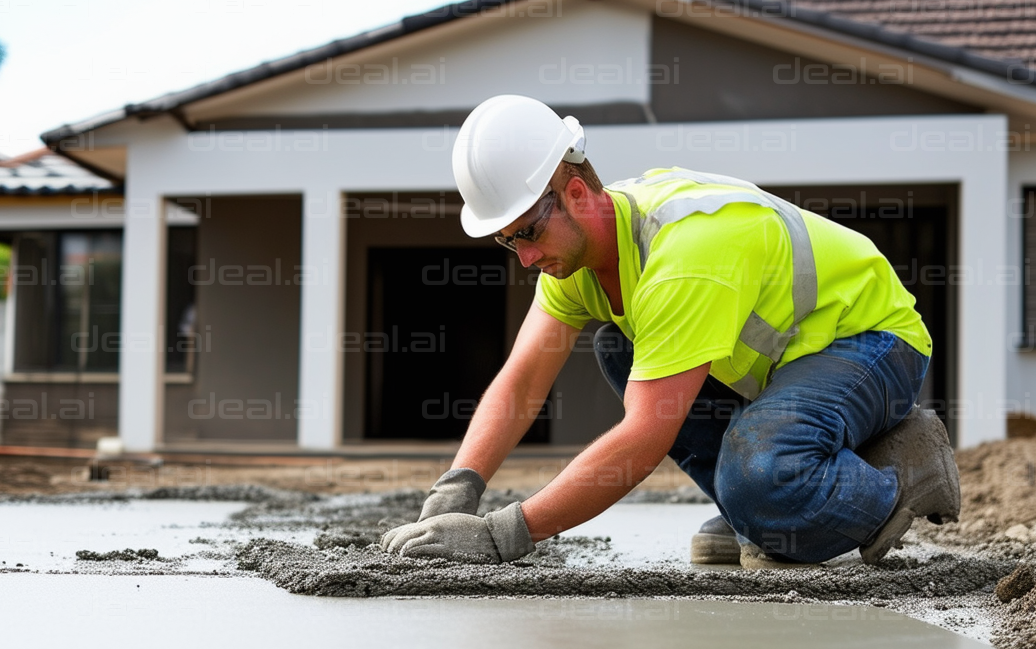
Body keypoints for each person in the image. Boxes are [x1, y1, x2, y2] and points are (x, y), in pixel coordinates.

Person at [379, 95, 960, 568]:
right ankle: (752, 510)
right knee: (619, 343)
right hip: (792, 359)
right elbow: (522, 382)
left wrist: (503, 534)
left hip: (871, 340)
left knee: (763, 484)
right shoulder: (578, 261)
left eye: (527, 233)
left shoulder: (684, 253)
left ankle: (899, 468)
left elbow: (643, 437)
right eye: (507, 241)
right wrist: (457, 487)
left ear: (576, 193)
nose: (524, 258)